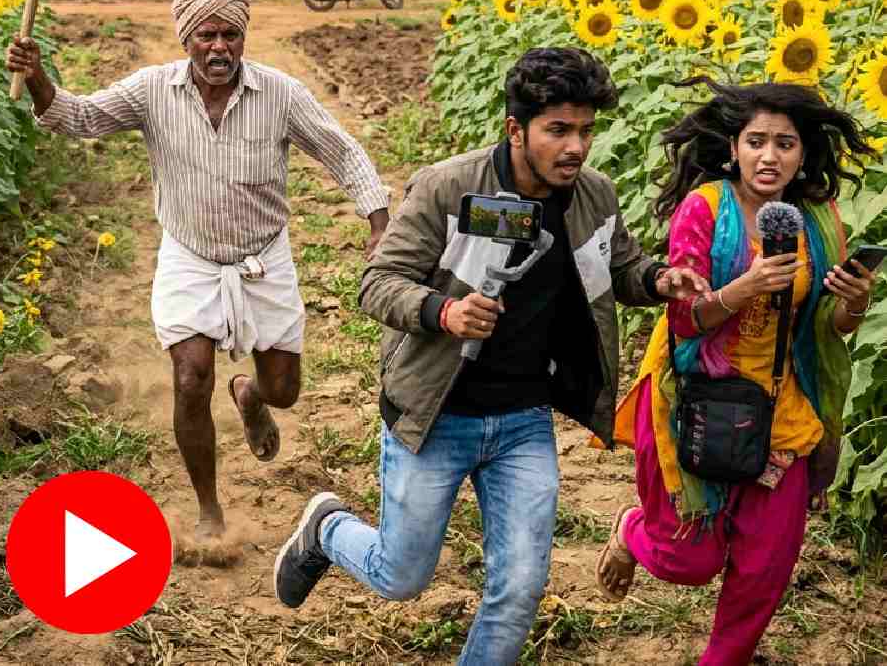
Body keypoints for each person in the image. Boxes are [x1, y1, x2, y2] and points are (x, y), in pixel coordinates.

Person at [272, 47, 708, 665]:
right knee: (401, 577)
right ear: (515, 129)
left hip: (523, 422)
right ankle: (327, 529)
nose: (575, 147)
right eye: (558, 130)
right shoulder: (450, 188)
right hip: (436, 414)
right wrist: (443, 313)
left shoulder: (594, 196)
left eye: (585, 130)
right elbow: (378, 281)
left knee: (520, 587)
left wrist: (658, 280)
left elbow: (620, 266)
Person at [5, 0, 390, 538]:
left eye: (230, 35)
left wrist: (378, 219)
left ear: (242, 37)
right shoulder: (152, 90)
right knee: (191, 377)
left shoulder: (279, 94)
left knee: (285, 389)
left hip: (262, 258)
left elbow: (341, 150)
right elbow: (81, 117)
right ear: (187, 40)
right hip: (190, 256)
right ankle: (209, 507)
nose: (219, 48)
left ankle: (252, 395)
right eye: (207, 35)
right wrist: (37, 76)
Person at [596, 78, 877, 665]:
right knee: (689, 561)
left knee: (764, 570)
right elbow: (684, 319)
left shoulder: (817, 219)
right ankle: (634, 530)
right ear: (733, 148)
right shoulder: (706, 208)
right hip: (694, 397)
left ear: (804, 155)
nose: (769, 156)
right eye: (756, 141)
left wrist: (853, 301)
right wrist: (741, 289)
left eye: (785, 143)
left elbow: (829, 327)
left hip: (781, 405)